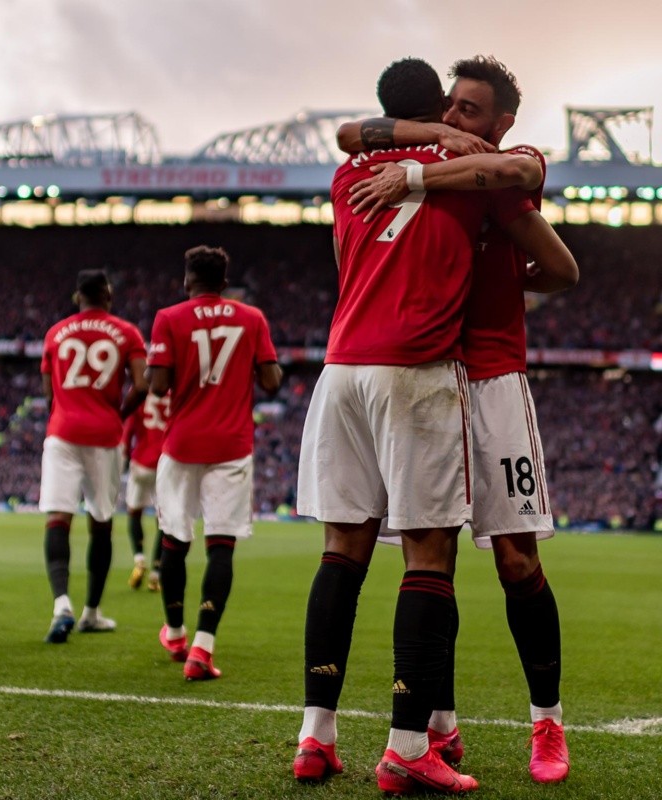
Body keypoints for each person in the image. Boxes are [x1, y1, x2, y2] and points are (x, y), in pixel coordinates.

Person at [293, 57, 545, 795]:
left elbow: (350, 134)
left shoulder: (350, 175)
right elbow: (523, 179)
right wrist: (454, 149)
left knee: (341, 552)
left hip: (341, 372)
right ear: (441, 108)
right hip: (416, 370)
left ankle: (316, 736)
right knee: (428, 556)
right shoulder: (468, 164)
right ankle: (409, 746)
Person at [148, 245, 282, 680]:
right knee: (220, 545)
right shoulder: (252, 318)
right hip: (231, 445)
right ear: (225, 284)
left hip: (183, 444)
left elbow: (158, 386)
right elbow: (272, 381)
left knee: (174, 540)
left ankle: (174, 630)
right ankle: (203, 648)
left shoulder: (169, 318)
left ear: (187, 281)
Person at [39, 269, 148, 643]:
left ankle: (61, 605)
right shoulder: (127, 332)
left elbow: (49, 390)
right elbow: (143, 384)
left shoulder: (56, 332)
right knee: (100, 521)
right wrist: (117, 414)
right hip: (104, 435)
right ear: (108, 295)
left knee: (58, 518)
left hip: (62, 432)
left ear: (77, 297)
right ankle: (92, 613)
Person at [122, 392, 171, 592]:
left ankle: (139, 559)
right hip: (165, 462)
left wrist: (124, 457)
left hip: (141, 461)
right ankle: (156, 574)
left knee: (134, 512)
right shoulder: (173, 394)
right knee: (163, 521)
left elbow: (128, 430)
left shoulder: (140, 393)